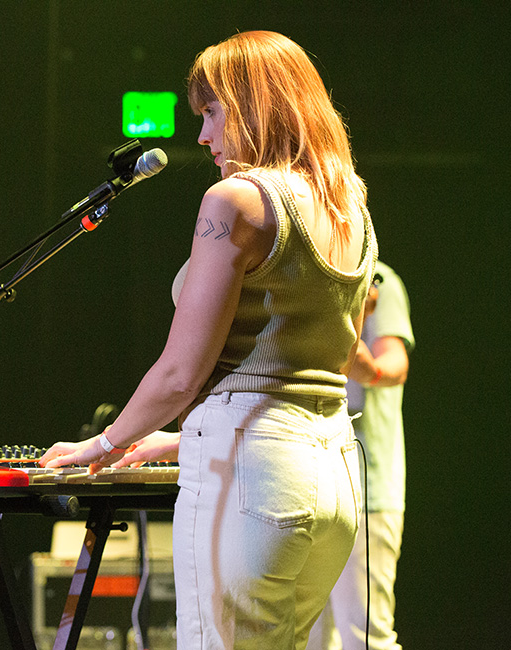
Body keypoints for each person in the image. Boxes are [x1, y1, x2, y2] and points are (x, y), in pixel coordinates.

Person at [39, 30, 377, 648]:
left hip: (258, 478)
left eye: (212, 113)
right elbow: (308, 362)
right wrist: (180, 440)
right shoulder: (348, 203)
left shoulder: (236, 200)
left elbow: (179, 374)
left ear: (255, 106)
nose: (203, 136)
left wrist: (105, 443)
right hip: (335, 474)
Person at [307, 262, 414, 650]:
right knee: (309, 638)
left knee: (365, 638)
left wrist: (368, 367)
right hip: (310, 488)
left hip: (366, 489)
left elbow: (394, 363)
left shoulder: (378, 277)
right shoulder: (301, 275)